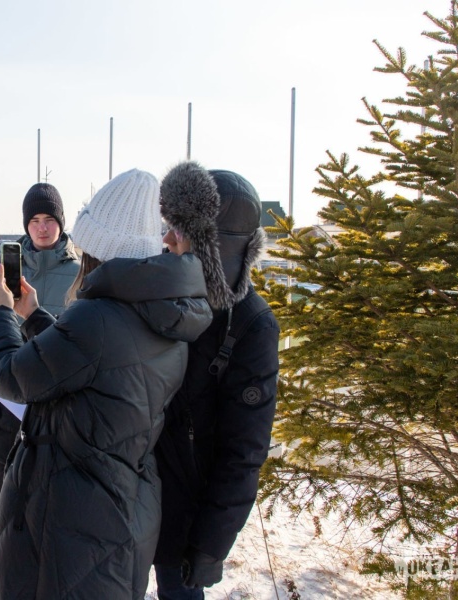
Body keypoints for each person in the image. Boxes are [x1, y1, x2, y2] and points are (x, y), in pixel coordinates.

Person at [0, 169, 214, 599]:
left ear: (100, 249)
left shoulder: (97, 316)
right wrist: (34, 317)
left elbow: (11, 377)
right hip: (120, 508)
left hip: (70, 516)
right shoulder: (161, 311)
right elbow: (93, 363)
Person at [152, 162, 280, 599]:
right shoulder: (165, 294)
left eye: (181, 230)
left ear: (213, 247)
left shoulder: (251, 326)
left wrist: (211, 544)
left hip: (185, 522)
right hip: (132, 499)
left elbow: (244, 450)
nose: (168, 239)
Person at [0, 182, 80, 600]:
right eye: (35, 221)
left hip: (56, 406)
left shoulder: (79, 271)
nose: (42, 228)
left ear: (60, 223)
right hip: (9, 401)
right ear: (26, 225)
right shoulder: (6, 273)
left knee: (54, 501)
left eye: (49, 220)